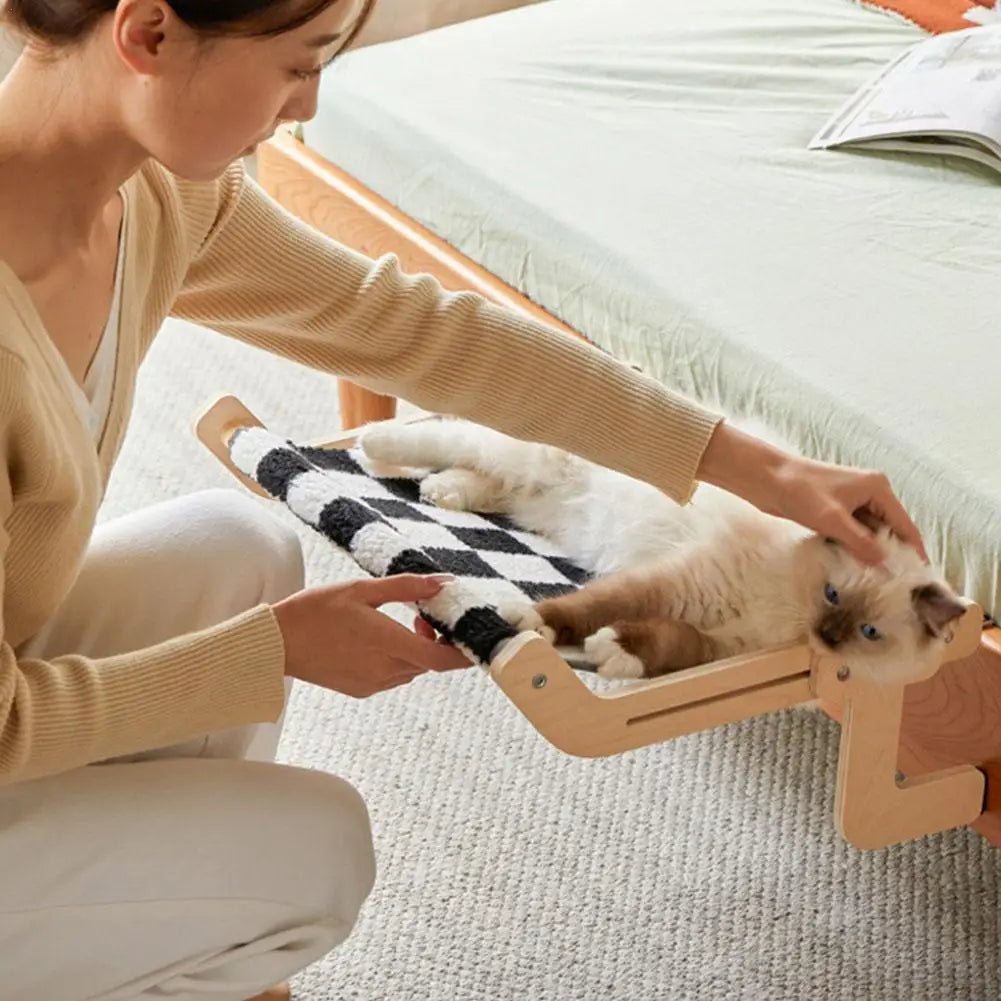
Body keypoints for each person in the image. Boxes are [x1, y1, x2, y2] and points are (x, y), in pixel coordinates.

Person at [0, 1, 926, 999]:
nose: (309, 101)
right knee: (316, 848)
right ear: (147, 36)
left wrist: (753, 468)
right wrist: (277, 649)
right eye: (296, 64)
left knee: (235, 545)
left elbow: (419, 331)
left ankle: (163, 949)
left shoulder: (155, 199)